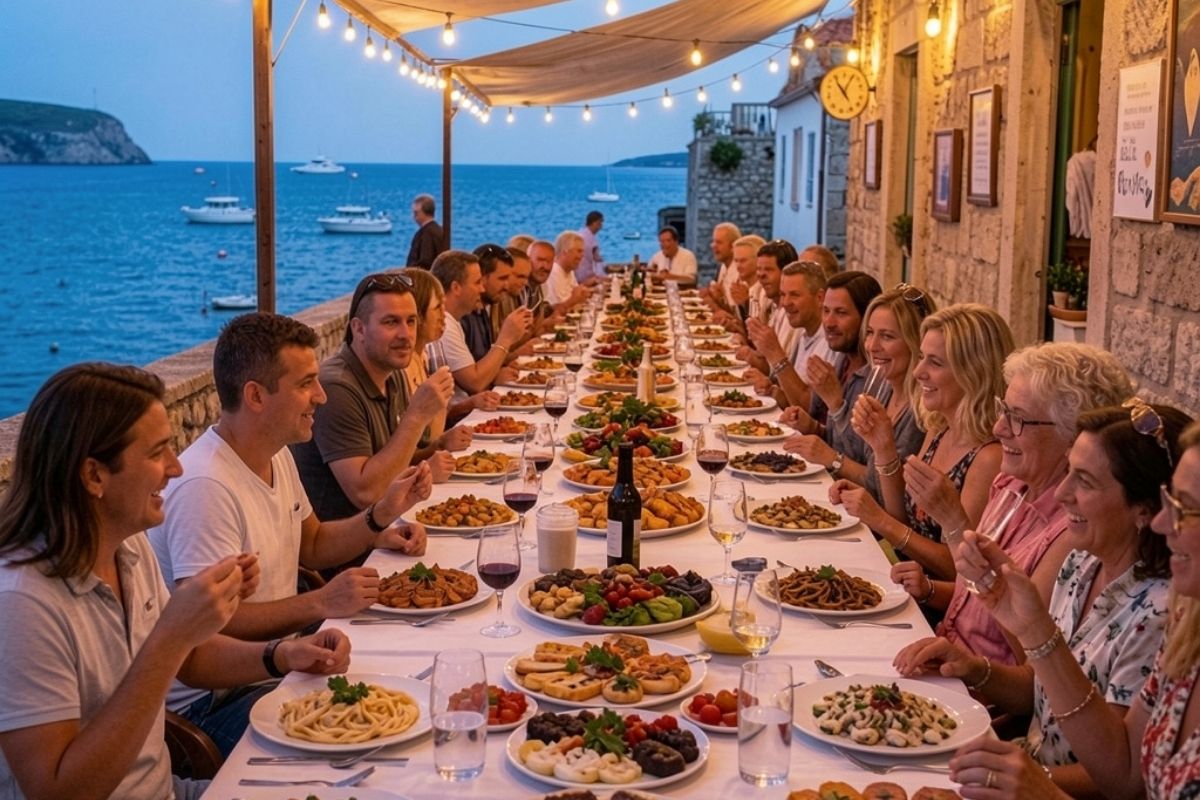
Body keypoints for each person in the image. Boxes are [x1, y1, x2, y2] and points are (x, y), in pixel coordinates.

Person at [0, 363, 352, 796]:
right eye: (156, 453)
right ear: (94, 475)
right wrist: (171, 636)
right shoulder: (22, 601)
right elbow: (56, 791)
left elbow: (190, 660)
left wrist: (283, 654)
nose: (175, 467)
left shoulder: (127, 548)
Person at [150, 313, 431, 752]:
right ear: (256, 395)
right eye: (305, 384)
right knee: (373, 736)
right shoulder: (205, 485)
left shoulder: (276, 452)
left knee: (409, 686)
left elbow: (314, 544)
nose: (320, 396)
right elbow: (212, 624)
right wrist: (320, 602)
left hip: (277, 662)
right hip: (216, 701)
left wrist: (379, 517)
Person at [942, 408, 1197, 800]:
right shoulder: (1082, 562)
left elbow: (1120, 782)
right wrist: (979, 668)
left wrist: (1039, 784)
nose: (1061, 494)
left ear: (1141, 510)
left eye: (1085, 481)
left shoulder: (1163, 611)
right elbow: (1046, 692)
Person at [891, 342, 1134, 670]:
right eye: (1002, 410)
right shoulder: (1010, 484)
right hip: (938, 653)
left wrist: (952, 521)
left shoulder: (1072, 528)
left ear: (1073, 436)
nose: (998, 428)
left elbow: (1032, 658)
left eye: (1017, 418)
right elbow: (976, 603)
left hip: (977, 693)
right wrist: (930, 590)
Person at [830, 304, 1011, 584]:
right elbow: (905, 519)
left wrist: (879, 519)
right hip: (899, 577)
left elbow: (961, 569)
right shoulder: (939, 427)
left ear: (974, 372)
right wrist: (883, 449)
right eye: (922, 357)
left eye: (935, 363)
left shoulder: (990, 457)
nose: (918, 372)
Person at [292, 272, 467, 525]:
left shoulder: (389, 372)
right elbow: (366, 493)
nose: (406, 334)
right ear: (359, 329)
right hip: (348, 555)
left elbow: (394, 457)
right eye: (391, 322)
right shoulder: (337, 388)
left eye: (411, 321)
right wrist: (418, 416)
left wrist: (430, 456)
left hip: (388, 530)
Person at [788, 283, 936, 500]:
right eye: (869, 333)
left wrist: (833, 458)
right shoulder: (884, 385)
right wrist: (814, 427)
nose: (872, 346)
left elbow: (887, 495)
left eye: (886, 336)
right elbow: (855, 452)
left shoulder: (922, 413)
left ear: (917, 342)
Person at [779, 270, 882, 458]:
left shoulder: (876, 377)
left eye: (841, 313)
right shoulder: (841, 358)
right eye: (826, 311)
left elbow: (857, 457)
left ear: (867, 318)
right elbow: (832, 438)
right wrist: (811, 426)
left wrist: (835, 403)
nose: (829, 322)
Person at [402, 267, 499, 434]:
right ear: (417, 314)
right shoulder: (402, 367)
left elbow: (433, 428)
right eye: (438, 307)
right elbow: (423, 437)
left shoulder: (426, 353)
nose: (443, 315)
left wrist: (467, 404)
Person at [432, 249, 531, 398]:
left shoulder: (455, 320)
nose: (482, 288)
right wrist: (506, 337)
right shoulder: (445, 325)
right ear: (456, 288)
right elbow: (475, 383)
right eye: (478, 282)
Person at [746, 260, 835, 411]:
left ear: (820, 298)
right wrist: (774, 391)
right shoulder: (805, 333)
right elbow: (793, 397)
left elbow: (809, 408)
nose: (785, 303)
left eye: (794, 295)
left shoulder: (830, 342)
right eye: (783, 294)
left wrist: (775, 353)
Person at [736, 239, 800, 374]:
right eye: (759, 269)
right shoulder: (776, 308)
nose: (761, 275)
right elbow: (768, 363)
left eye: (768, 270)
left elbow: (777, 372)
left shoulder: (795, 316)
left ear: (787, 274)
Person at [462, 243, 515, 361]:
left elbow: (485, 360)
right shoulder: (463, 316)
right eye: (502, 279)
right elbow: (472, 378)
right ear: (482, 277)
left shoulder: (483, 311)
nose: (507, 287)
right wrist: (507, 337)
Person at [544, 230, 591, 308]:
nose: (582, 256)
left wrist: (583, 294)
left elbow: (577, 297)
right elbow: (556, 310)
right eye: (579, 251)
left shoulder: (569, 271)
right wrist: (576, 298)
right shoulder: (553, 272)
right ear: (565, 252)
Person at [705, 221, 741, 308]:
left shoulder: (740, 271)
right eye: (713, 241)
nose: (713, 246)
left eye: (719, 242)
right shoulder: (722, 266)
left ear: (733, 246)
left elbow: (736, 315)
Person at [405, 194, 445, 269]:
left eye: (416, 213)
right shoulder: (438, 230)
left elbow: (425, 261)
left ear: (425, 212)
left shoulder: (426, 233)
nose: (413, 216)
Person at [578, 210, 605, 283]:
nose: (601, 227)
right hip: (586, 277)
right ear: (595, 223)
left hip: (577, 276)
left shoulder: (579, 234)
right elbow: (597, 258)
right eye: (600, 223)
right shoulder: (591, 239)